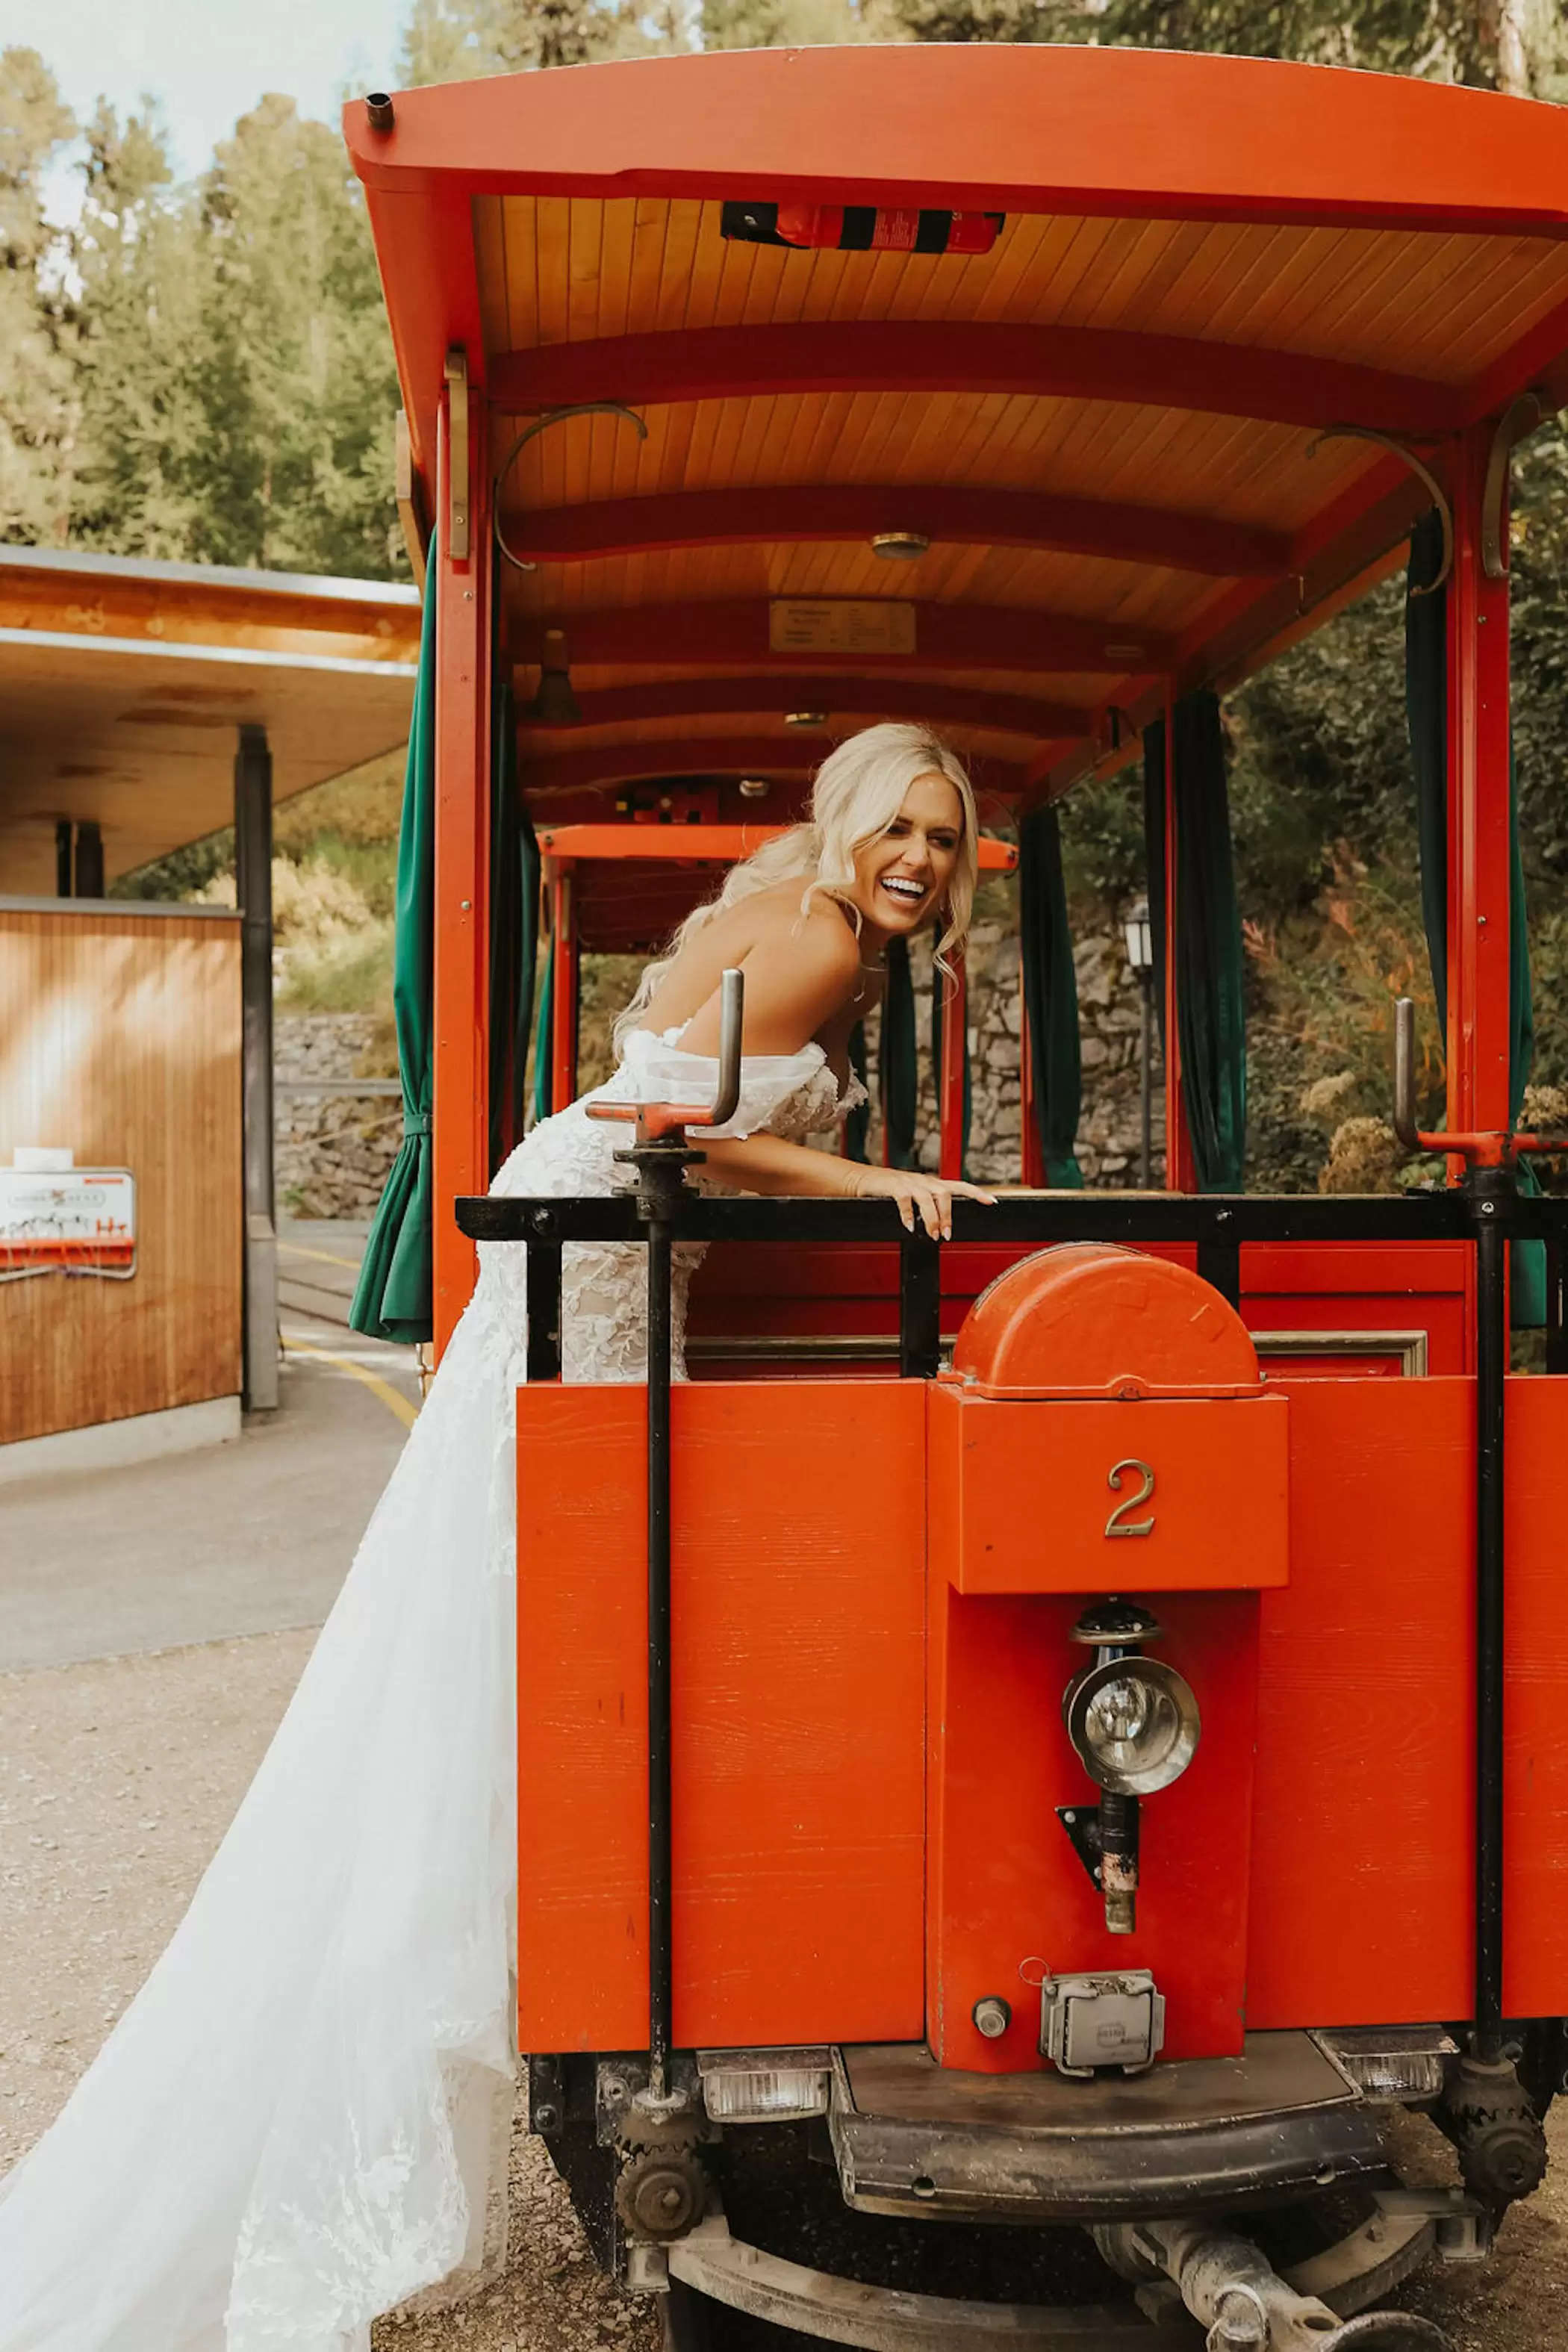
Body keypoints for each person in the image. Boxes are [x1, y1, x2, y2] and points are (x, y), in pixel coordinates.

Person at [0, 723, 995, 2352]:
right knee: (580, 1568)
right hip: (600, 1232)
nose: (918, 863)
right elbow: (675, 1129)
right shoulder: (817, 936)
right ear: (846, 827)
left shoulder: (810, 928)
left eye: (944, 843)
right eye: (899, 828)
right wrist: (877, 1179)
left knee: (515, 1578)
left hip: (594, 1220)